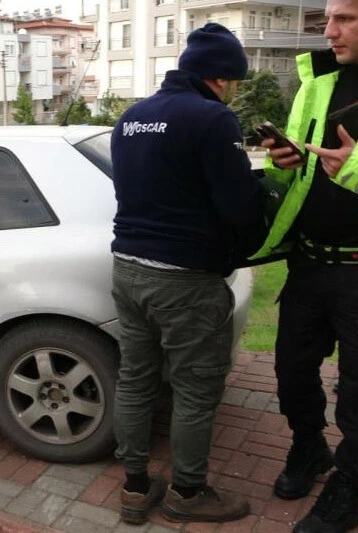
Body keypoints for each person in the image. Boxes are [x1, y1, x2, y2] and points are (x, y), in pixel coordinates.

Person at [109, 23, 267, 525]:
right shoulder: (213, 118)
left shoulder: (132, 118)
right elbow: (239, 208)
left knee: (135, 380)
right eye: (234, 82)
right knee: (195, 390)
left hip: (127, 267)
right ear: (220, 78)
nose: (233, 91)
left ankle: (135, 488)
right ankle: (187, 492)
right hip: (185, 279)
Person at [248, 1, 358, 531]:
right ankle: (309, 447)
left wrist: (356, 166)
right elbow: (301, 168)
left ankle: (350, 484)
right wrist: (284, 160)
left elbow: (349, 166)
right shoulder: (318, 80)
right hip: (309, 262)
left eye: (346, 19)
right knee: (292, 370)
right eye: (328, 19)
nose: (328, 31)